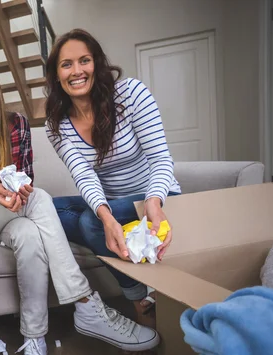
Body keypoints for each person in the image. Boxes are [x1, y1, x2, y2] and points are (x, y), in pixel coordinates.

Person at [0, 53, 159, 355]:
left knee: (30, 229)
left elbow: (26, 180)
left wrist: (16, 194)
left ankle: (34, 341)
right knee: (41, 201)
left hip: (11, 217)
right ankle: (84, 303)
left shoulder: (16, 125)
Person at [44, 29, 181, 331]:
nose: (77, 71)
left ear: (97, 64)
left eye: (84, 61)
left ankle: (140, 299)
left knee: (88, 224)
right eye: (66, 64)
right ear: (56, 75)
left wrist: (153, 203)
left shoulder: (131, 94)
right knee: (46, 208)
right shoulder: (57, 124)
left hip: (155, 198)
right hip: (114, 204)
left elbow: (161, 160)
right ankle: (108, 231)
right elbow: (84, 175)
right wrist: (106, 215)